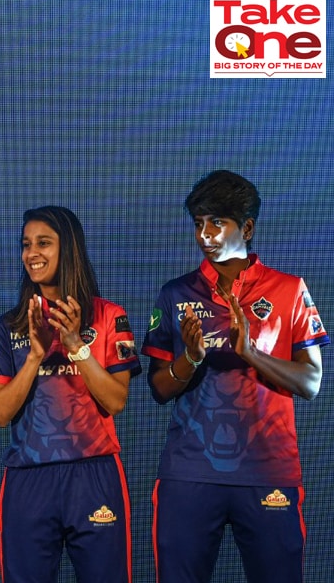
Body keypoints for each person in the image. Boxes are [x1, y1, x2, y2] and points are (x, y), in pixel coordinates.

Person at [142, 170, 328, 583]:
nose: (205, 235)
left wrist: (251, 352)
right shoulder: (176, 294)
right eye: (198, 224)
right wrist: (190, 358)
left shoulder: (289, 289)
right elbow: (157, 388)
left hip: (269, 473)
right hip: (189, 473)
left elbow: (311, 382)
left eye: (217, 223)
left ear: (246, 226)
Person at [0, 206, 141, 583]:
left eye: (44, 243)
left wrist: (74, 344)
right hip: (28, 479)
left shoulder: (108, 317)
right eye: (26, 244)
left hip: (94, 474)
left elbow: (115, 401)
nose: (31, 253)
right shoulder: (10, 325)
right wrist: (35, 356)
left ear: (69, 249)